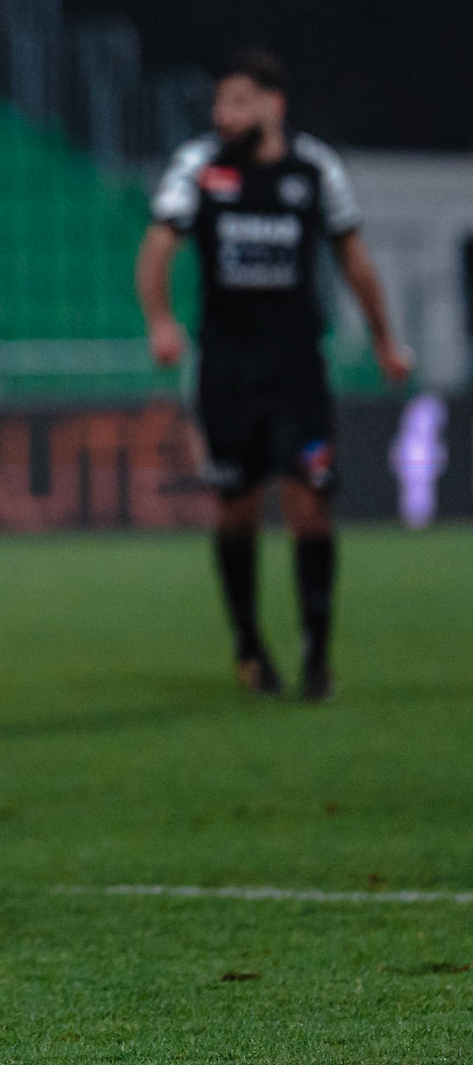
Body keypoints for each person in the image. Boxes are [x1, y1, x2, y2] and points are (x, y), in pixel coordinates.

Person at [136, 49, 410, 701]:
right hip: (226, 372)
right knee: (235, 510)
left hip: (297, 371)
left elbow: (353, 255)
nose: (221, 115)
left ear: (271, 105)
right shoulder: (199, 166)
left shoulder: (314, 169)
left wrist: (382, 338)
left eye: (235, 101)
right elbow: (156, 245)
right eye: (218, 104)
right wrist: (160, 321)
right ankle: (250, 648)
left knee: (309, 501)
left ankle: (317, 652)